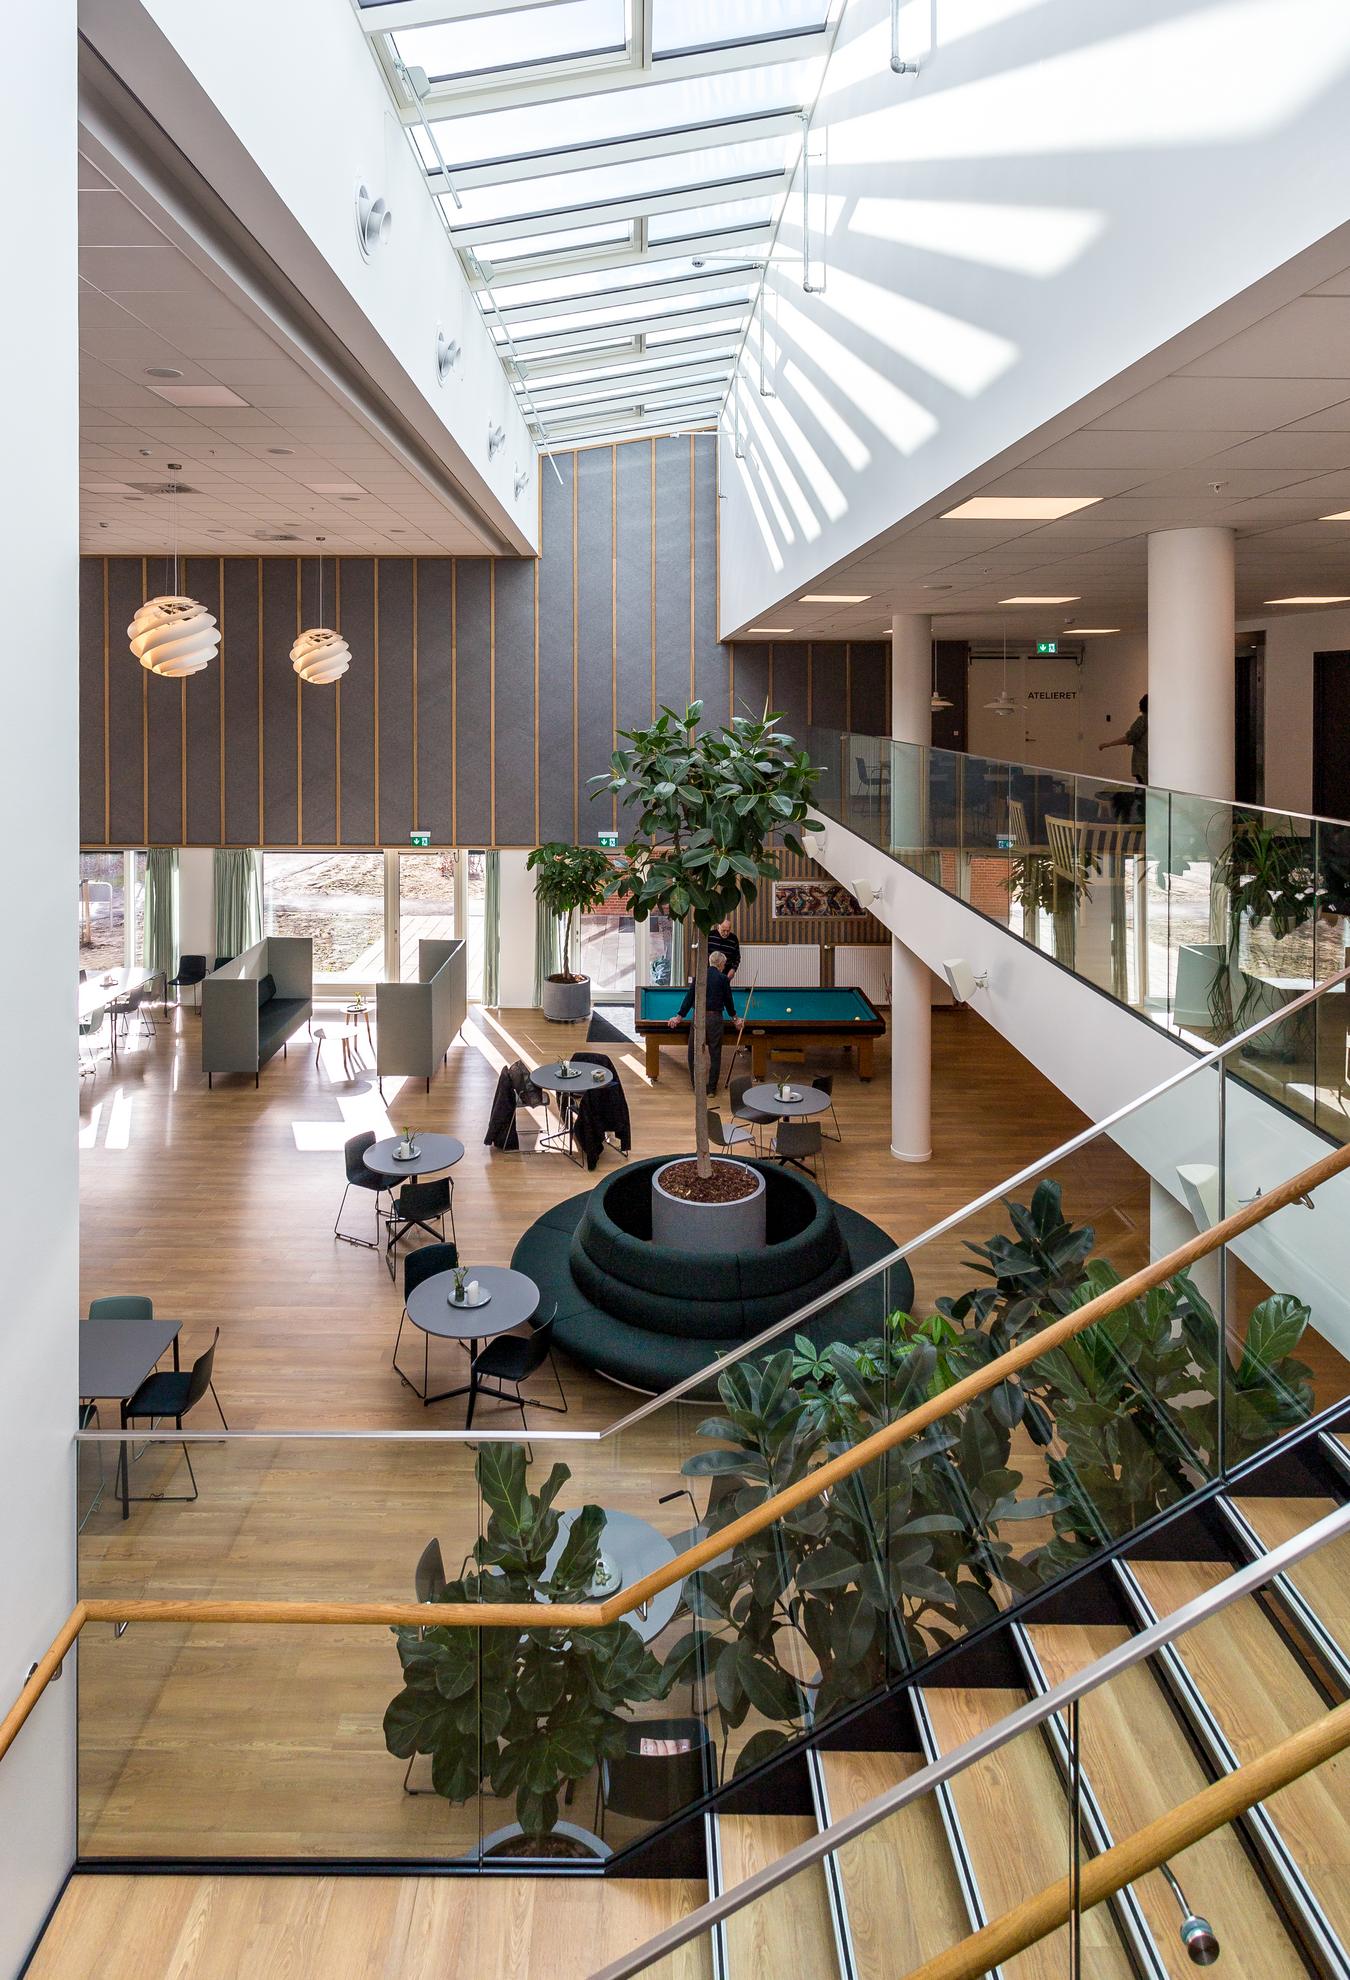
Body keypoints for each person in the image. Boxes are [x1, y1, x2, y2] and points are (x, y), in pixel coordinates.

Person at [667, 948, 741, 1093]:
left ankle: (697, 1086)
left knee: (693, 1052)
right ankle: (712, 1089)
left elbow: (689, 999)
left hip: (698, 1018)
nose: (724, 967)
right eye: (724, 965)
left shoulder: (699, 977)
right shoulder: (723, 979)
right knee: (715, 1053)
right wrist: (735, 1019)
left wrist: (679, 1017)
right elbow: (729, 1002)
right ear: (721, 964)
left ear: (710, 961)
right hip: (715, 1019)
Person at [1099, 693, 1148, 821]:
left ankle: (1141, 823)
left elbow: (1129, 737)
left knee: (1144, 797)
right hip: (1150, 766)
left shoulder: (1143, 720)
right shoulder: (1157, 721)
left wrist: (1108, 744)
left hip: (1143, 766)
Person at [711, 914, 741, 981]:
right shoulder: (710, 936)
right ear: (718, 927)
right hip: (711, 972)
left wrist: (733, 969)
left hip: (726, 973)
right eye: (723, 930)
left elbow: (737, 958)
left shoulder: (734, 939)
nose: (726, 933)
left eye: (728, 930)